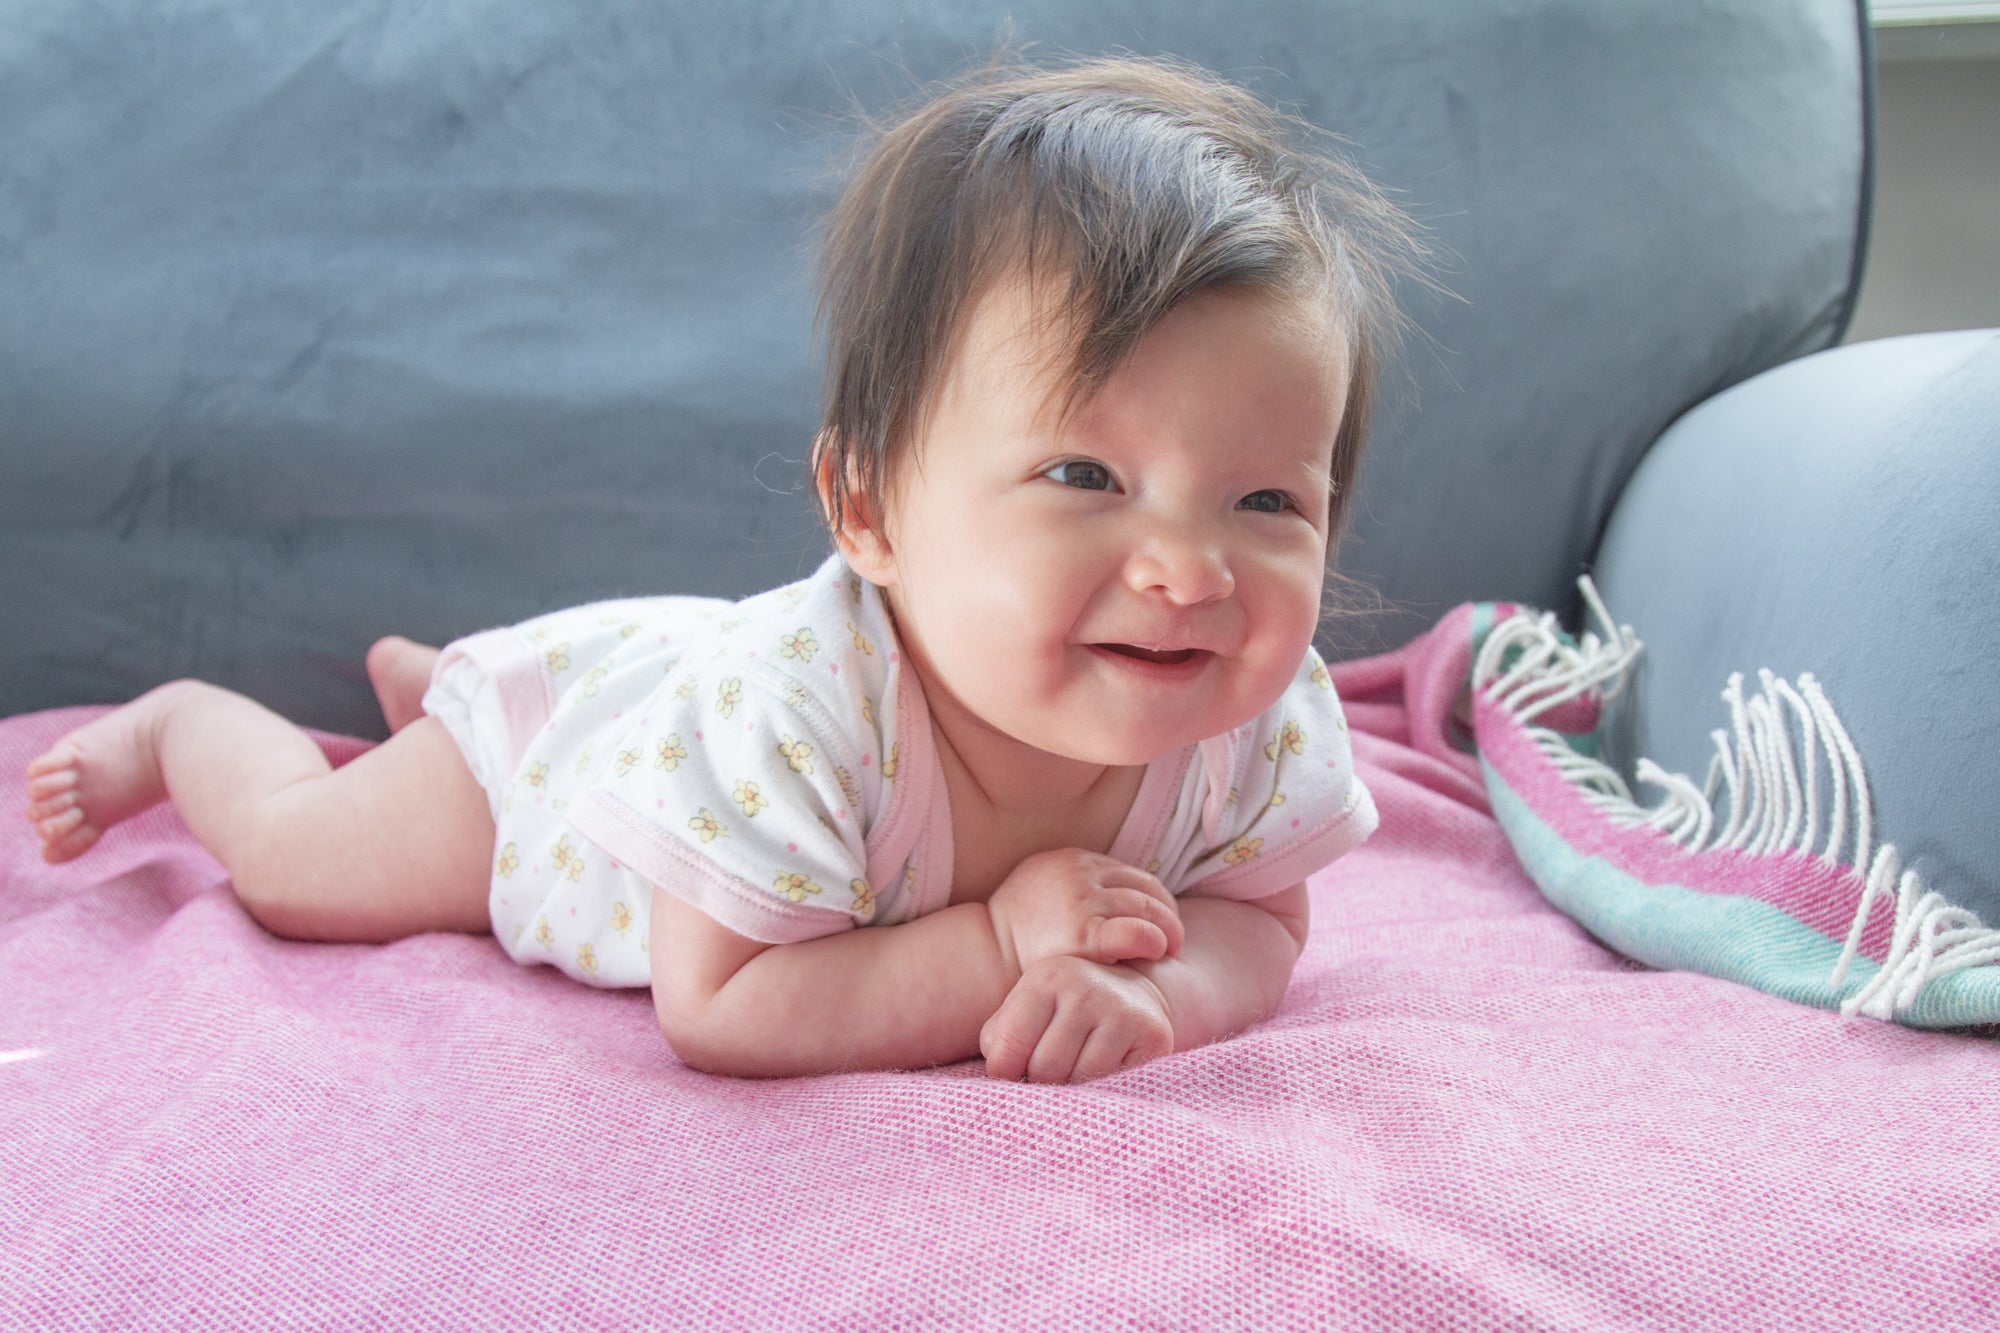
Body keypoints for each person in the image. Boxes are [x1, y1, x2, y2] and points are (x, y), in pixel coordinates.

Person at [21, 55, 1422, 1083]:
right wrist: (997, 950)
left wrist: (1172, 992)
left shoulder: (1252, 712)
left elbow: (1262, 917)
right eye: (1085, 478)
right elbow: (726, 1001)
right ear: (866, 511)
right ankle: (201, 722)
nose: (1190, 571)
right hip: (567, 763)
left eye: (1262, 501)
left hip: (678, 684)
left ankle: (428, 677)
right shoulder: (800, 719)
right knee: (301, 866)